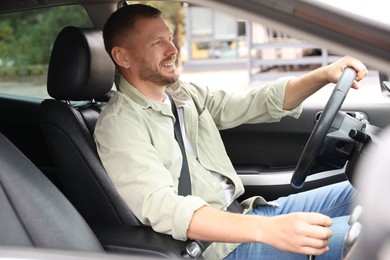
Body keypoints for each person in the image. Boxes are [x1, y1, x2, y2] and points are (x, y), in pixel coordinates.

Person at [94, 3, 368, 260]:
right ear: (122, 56)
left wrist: (324, 75)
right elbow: (164, 207)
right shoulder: (119, 125)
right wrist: (268, 230)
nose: (172, 49)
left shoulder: (182, 95)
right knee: (367, 236)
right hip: (216, 249)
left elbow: (255, 103)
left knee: (369, 188)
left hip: (246, 215)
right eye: (157, 43)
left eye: (170, 38)